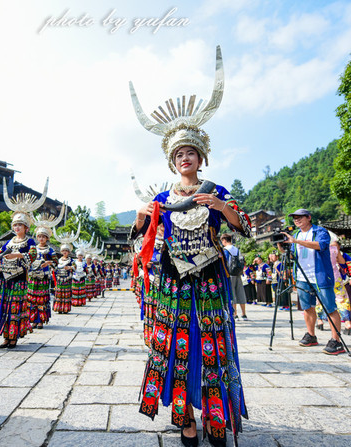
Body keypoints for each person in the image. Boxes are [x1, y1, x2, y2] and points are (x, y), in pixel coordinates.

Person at [130, 46, 250, 446]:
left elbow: (243, 225)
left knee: (213, 341)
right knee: (179, 344)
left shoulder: (218, 191)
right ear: (172, 161)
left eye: (191, 153)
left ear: (202, 158)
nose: (186, 158)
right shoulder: (162, 199)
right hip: (172, 281)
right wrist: (141, 218)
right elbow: (140, 241)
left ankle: (217, 415)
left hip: (212, 279)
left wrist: (220, 207)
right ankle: (185, 418)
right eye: (179, 154)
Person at [0, 179, 48, 348]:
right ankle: (4, 337)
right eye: (15, 225)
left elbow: (32, 256)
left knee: (14, 307)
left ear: (26, 227)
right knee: (3, 306)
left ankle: (13, 337)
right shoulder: (8, 241)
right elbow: (2, 253)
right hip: (4, 278)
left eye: (20, 225)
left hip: (18, 279)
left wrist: (17, 255)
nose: (17, 228)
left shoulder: (30, 242)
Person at [282, 208, 345, 355]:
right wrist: (284, 247)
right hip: (302, 276)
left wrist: (296, 241)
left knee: (329, 307)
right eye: (294, 218)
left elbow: (321, 246)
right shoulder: (296, 233)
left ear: (309, 217)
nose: (297, 220)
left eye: (300, 217)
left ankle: (336, 340)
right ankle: (311, 335)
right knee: (307, 307)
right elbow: (294, 255)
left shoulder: (320, 231)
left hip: (320, 275)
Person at [220, 233, 248, 320]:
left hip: (230, 274)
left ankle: (235, 314)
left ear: (224, 240)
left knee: (232, 293)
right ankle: (244, 314)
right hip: (238, 273)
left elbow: (224, 263)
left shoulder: (225, 250)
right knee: (240, 292)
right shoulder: (236, 249)